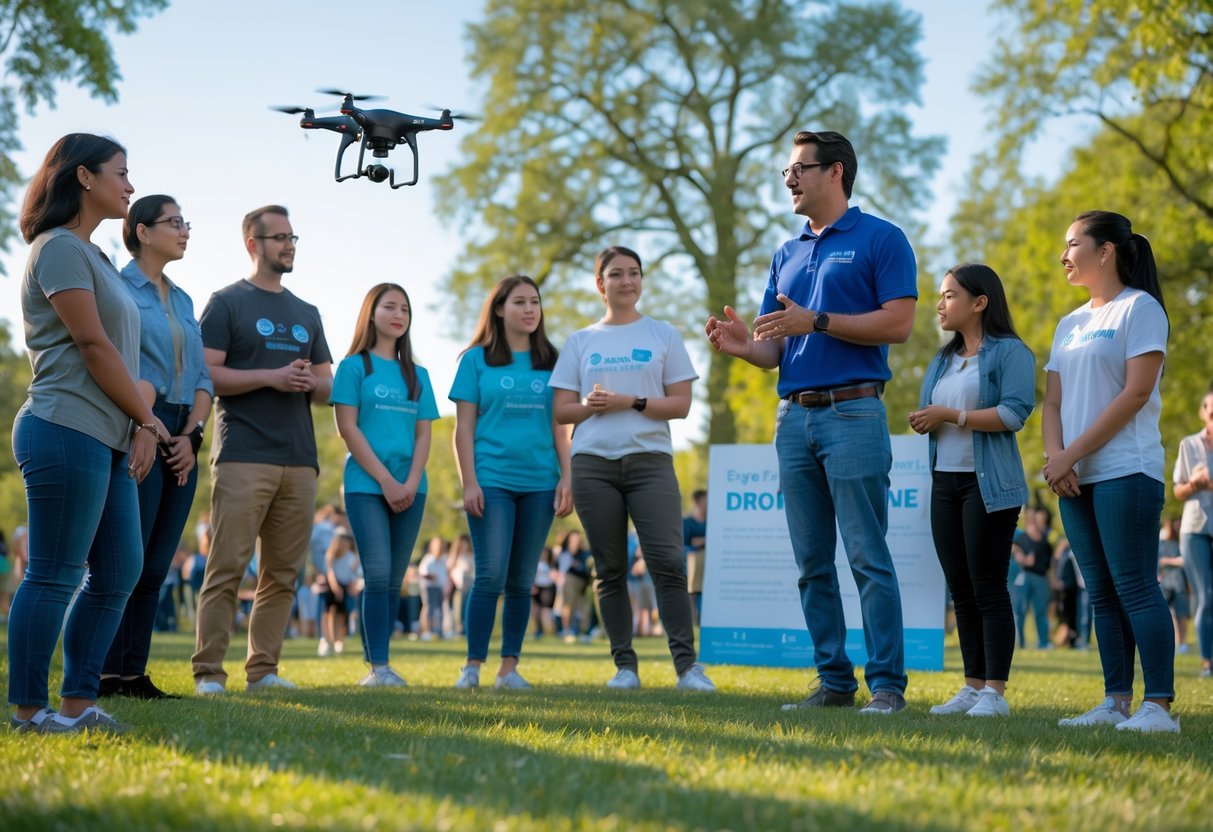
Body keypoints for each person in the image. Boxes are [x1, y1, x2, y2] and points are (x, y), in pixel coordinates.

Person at [706, 130, 916, 713]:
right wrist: (742, 346)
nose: (790, 180)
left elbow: (899, 324)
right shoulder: (787, 251)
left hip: (853, 411)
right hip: (792, 420)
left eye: (800, 168)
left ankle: (888, 688)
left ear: (836, 172)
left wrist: (818, 321)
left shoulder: (883, 238)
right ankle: (834, 683)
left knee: (867, 556)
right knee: (810, 564)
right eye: (787, 171)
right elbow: (775, 348)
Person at [9, 133, 169, 734]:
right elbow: (94, 347)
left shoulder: (96, 255)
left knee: (120, 572)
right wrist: (149, 419)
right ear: (83, 177)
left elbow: (122, 356)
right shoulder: (57, 249)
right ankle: (28, 711)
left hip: (106, 436)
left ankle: (76, 705)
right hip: (63, 427)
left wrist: (137, 421)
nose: (129, 186)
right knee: (53, 573)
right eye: (121, 173)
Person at [551, 245, 715, 692]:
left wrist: (632, 402)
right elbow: (562, 412)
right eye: (617, 274)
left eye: (634, 273)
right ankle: (625, 667)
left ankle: (687, 669)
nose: (627, 281)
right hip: (593, 465)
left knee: (666, 562)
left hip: (650, 462)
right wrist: (591, 404)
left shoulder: (663, 335)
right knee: (608, 568)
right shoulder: (580, 341)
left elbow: (680, 405)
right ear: (600, 284)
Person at [1043, 210, 1178, 732]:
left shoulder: (1140, 310)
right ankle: (1115, 702)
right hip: (1073, 476)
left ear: (1106, 252)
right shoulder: (1068, 323)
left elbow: (1136, 393)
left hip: (1127, 469)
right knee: (1099, 591)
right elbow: (1052, 402)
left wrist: (1070, 453)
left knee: (1135, 586)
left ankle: (1159, 706)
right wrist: (1058, 461)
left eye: (1073, 243)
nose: (1064, 254)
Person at [191, 205, 333, 695]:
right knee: (227, 566)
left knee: (283, 574)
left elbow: (326, 387)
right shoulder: (226, 303)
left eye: (293, 237)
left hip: (300, 459)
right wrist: (271, 377)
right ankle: (209, 673)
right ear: (252, 243)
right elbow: (207, 373)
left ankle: (263, 672)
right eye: (279, 238)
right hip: (243, 454)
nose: (289, 245)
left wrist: (307, 380)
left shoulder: (306, 313)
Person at [96, 194, 213, 701]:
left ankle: (132, 674)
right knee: (125, 559)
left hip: (183, 433)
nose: (185, 230)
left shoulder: (184, 299)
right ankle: (100, 674)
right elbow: (116, 364)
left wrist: (192, 436)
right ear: (142, 231)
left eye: (186, 223)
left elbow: (204, 377)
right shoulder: (118, 289)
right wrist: (149, 426)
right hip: (136, 425)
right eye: (174, 223)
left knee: (158, 563)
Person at [907, 263, 1035, 718]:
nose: (939, 305)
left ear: (980, 302)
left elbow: (1014, 413)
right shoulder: (941, 360)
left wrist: (949, 414)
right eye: (940, 296)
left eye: (949, 296)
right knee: (960, 589)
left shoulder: (1010, 353)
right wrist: (928, 418)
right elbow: (935, 413)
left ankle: (995, 693)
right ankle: (972, 686)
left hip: (991, 486)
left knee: (988, 587)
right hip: (945, 482)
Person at [449, 274, 573, 689]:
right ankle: (471, 667)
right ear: (499, 309)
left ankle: (508, 669)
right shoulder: (475, 361)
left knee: (522, 579)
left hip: (540, 482)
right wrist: (470, 482)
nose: (529, 310)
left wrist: (567, 478)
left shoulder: (553, 361)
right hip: (492, 480)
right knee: (490, 574)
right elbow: (463, 429)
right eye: (519, 302)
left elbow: (561, 430)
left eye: (535, 302)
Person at [331, 282, 437, 686]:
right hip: (366, 485)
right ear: (370, 313)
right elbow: (347, 429)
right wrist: (387, 481)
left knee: (394, 578)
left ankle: (382, 662)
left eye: (405, 309)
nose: (398, 315)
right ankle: (377, 668)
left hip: (412, 487)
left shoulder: (419, 374)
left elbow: (424, 435)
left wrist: (408, 482)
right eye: (389, 307)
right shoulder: (353, 367)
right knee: (376, 573)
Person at [1173, 390, 1213, 678]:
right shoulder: (1189, 445)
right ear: (1203, 412)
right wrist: (1196, 484)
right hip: (1195, 529)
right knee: (1206, 595)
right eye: (1210, 408)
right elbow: (1178, 491)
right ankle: (1207, 663)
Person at [1011, 506, 1054, 649]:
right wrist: (1020, 555)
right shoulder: (1021, 537)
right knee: (1020, 610)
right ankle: (1020, 643)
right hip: (1025, 577)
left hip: (1041, 578)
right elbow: (1011, 546)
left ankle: (1043, 642)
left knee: (1041, 611)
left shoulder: (1044, 540)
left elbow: (1050, 562)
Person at [319, 528, 362, 657]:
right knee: (329, 613)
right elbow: (330, 572)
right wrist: (335, 587)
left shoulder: (352, 557)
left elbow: (354, 574)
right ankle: (328, 640)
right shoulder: (331, 555)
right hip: (332, 586)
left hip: (345, 586)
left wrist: (352, 585)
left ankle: (339, 640)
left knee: (342, 614)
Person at [683, 489, 708, 624]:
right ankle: (692, 622)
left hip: (708, 567)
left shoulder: (712, 522)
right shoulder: (687, 523)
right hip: (692, 566)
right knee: (690, 595)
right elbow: (684, 545)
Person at [418, 537, 450, 640]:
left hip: (441, 587)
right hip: (429, 587)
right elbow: (422, 572)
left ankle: (439, 631)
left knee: (440, 609)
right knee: (429, 608)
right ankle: (427, 631)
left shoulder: (444, 559)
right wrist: (430, 576)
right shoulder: (428, 559)